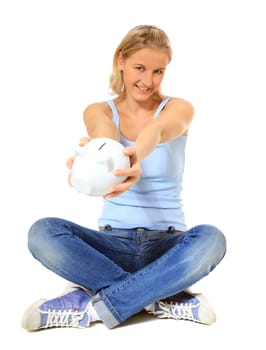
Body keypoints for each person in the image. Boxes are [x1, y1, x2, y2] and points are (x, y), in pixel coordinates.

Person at [21, 24, 226, 331]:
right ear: (121, 61)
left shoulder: (180, 108)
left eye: (158, 71)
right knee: (43, 231)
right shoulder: (98, 110)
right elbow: (104, 133)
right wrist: (99, 156)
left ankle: (91, 308)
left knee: (212, 239)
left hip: (168, 246)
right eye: (139, 68)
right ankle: (160, 295)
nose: (148, 80)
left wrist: (136, 155)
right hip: (110, 245)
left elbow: (156, 131)